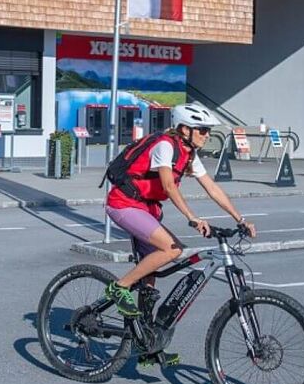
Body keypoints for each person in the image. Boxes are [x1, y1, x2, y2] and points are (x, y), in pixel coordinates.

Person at [104, 103, 256, 342]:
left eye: (208, 131)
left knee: (151, 275)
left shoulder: (189, 155)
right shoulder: (165, 145)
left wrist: (241, 219)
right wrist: (192, 217)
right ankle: (119, 287)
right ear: (185, 129)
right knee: (172, 249)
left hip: (148, 208)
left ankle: (145, 340)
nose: (207, 135)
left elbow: (212, 188)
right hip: (124, 204)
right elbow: (168, 185)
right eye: (202, 130)